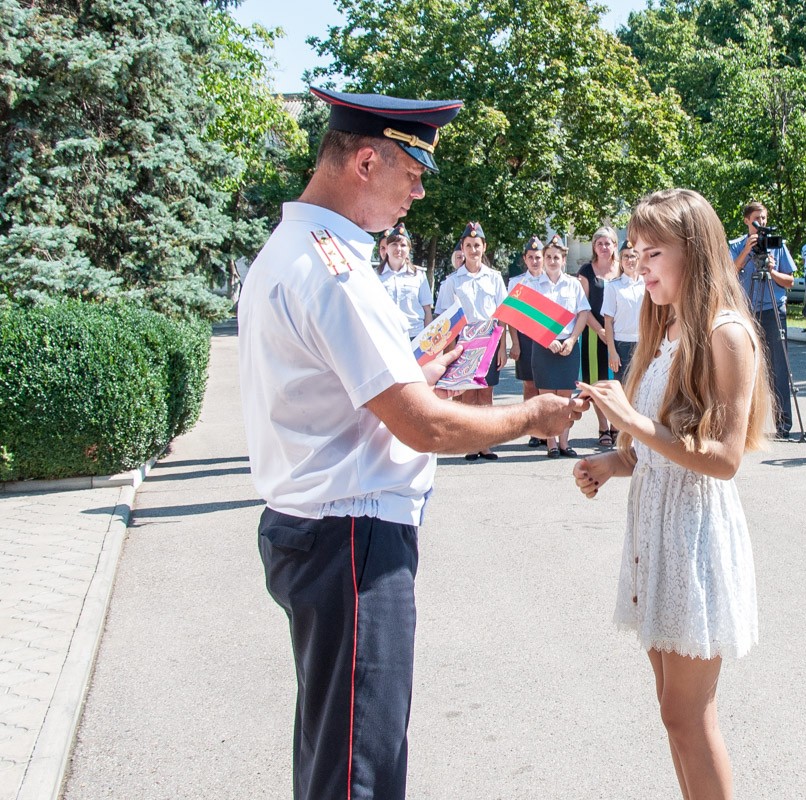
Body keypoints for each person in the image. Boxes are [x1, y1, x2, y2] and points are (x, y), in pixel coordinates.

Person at [239, 87, 584, 800]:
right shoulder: (335, 271)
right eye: (414, 172)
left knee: (340, 748)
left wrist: (418, 370)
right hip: (352, 539)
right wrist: (534, 416)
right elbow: (424, 426)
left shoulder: (300, 249)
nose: (419, 193)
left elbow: (347, 391)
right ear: (367, 160)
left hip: (325, 532)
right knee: (359, 768)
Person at [572, 188, 770, 800]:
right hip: (657, 532)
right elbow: (661, 451)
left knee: (688, 715)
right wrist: (613, 461)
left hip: (695, 540)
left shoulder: (725, 333)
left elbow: (723, 460)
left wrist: (628, 423)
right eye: (634, 252)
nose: (640, 265)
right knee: (672, 713)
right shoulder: (668, 327)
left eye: (653, 252)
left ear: (696, 251)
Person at [435, 221, 509, 460]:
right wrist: (447, 352)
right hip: (463, 343)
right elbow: (445, 317)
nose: (473, 250)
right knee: (467, 395)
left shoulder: (495, 278)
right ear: (463, 249)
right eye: (469, 245)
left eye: (477, 245)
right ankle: (470, 442)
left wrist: (503, 348)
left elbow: (503, 315)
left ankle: (485, 442)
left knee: (486, 394)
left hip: (489, 340)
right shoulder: (453, 281)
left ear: (484, 247)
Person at [729, 201, 797, 440]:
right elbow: (727, 274)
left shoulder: (776, 246)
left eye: (765, 218)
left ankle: (784, 425)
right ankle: (743, 427)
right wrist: (747, 252)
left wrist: (772, 270)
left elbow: (789, 281)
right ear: (747, 220)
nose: (762, 223)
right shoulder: (736, 245)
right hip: (746, 311)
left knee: (779, 368)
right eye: (757, 219)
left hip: (772, 310)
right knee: (745, 369)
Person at [532, 233, 592, 458]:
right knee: (547, 400)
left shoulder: (573, 284)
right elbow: (531, 319)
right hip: (544, 347)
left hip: (568, 345)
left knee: (566, 399)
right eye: (548, 257)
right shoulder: (534, 284)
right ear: (544, 258)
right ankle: (551, 443)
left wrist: (572, 340)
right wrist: (548, 341)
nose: (552, 261)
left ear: (563, 260)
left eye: (556, 257)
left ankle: (565, 442)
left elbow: (583, 313)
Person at [578, 227, 620, 446]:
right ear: (594, 247)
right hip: (594, 334)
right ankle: (603, 427)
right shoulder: (586, 271)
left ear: (615, 245)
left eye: (608, 243)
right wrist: (601, 330)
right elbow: (582, 306)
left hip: (620, 334)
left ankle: (617, 426)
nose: (604, 247)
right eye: (600, 243)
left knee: (618, 381)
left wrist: (612, 333)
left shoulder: (623, 269)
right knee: (597, 382)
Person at [507, 236, 546, 447]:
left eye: (538, 257)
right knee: (530, 386)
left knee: (546, 386)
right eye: (530, 257)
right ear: (525, 258)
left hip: (547, 339)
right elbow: (510, 317)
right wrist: (515, 343)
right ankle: (533, 430)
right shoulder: (517, 283)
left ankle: (547, 428)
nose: (535, 261)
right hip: (525, 339)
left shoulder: (551, 280)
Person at [376, 223, 432, 335]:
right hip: (385, 334)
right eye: (394, 244)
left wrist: (428, 338)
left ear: (409, 249)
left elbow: (427, 310)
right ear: (387, 248)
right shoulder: (375, 275)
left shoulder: (418, 275)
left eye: (403, 245)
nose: (398, 249)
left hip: (414, 335)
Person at [603, 240, 645, 383]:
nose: (629, 260)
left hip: (645, 342)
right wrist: (612, 352)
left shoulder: (647, 284)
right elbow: (608, 322)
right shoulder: (613, 286)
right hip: (622, 345)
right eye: (625, 256)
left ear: (639, 259)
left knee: (644, 388)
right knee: (624, 389)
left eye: (633, 256)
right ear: (620, 261)